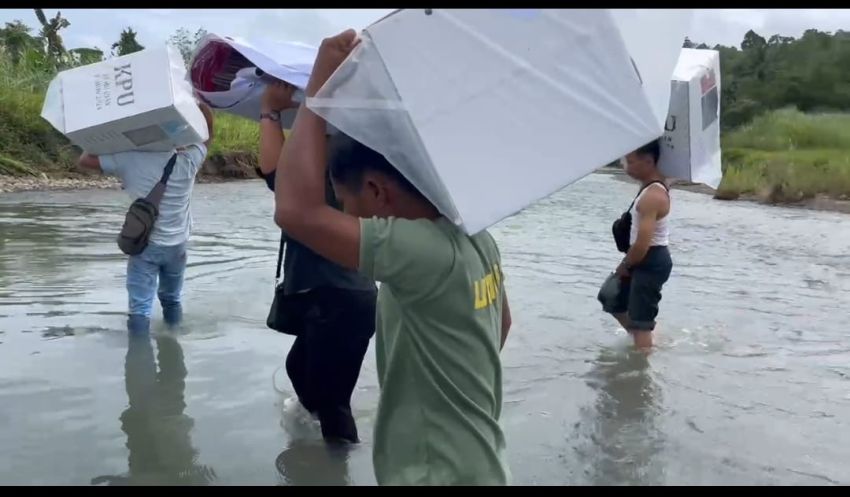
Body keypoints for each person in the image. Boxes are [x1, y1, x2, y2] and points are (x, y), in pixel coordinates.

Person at [273, 30, 513, 485]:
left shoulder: (422, 252)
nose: (346, 215)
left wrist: (318, 86)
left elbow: (295, 211)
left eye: (345, 203)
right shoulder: (475, 234)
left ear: (377, 191)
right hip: (480, 464)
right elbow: (501, 324)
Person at [255, 80, 377, 445]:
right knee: (300, 370)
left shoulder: (331, 164)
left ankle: (338, 465)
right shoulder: (343, 157)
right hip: (333, 296)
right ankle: (316, 453)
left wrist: (270, 111)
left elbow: (275, 175)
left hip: (340, 299)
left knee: (335, 406)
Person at [77, 102, 214, 334]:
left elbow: (84, 159)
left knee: (140, 308)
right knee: (172, 298)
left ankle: (138, 358)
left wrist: (109, 135)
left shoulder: (127, 158)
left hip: (145, 245)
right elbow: (207, 136)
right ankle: (173, 340)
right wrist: (201, 106)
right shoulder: (188, 159)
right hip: (177, 246)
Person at [608, 139, 672, 349]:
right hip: (642, 256)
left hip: (650, 258)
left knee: (641, 322)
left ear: (648, 161)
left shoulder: (653, 195)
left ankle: (641, 365)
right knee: (610, 298)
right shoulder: (648, 187)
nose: (625, 166)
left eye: (630, 161)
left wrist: (625, 266)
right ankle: (642, 337)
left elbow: (642, 244)